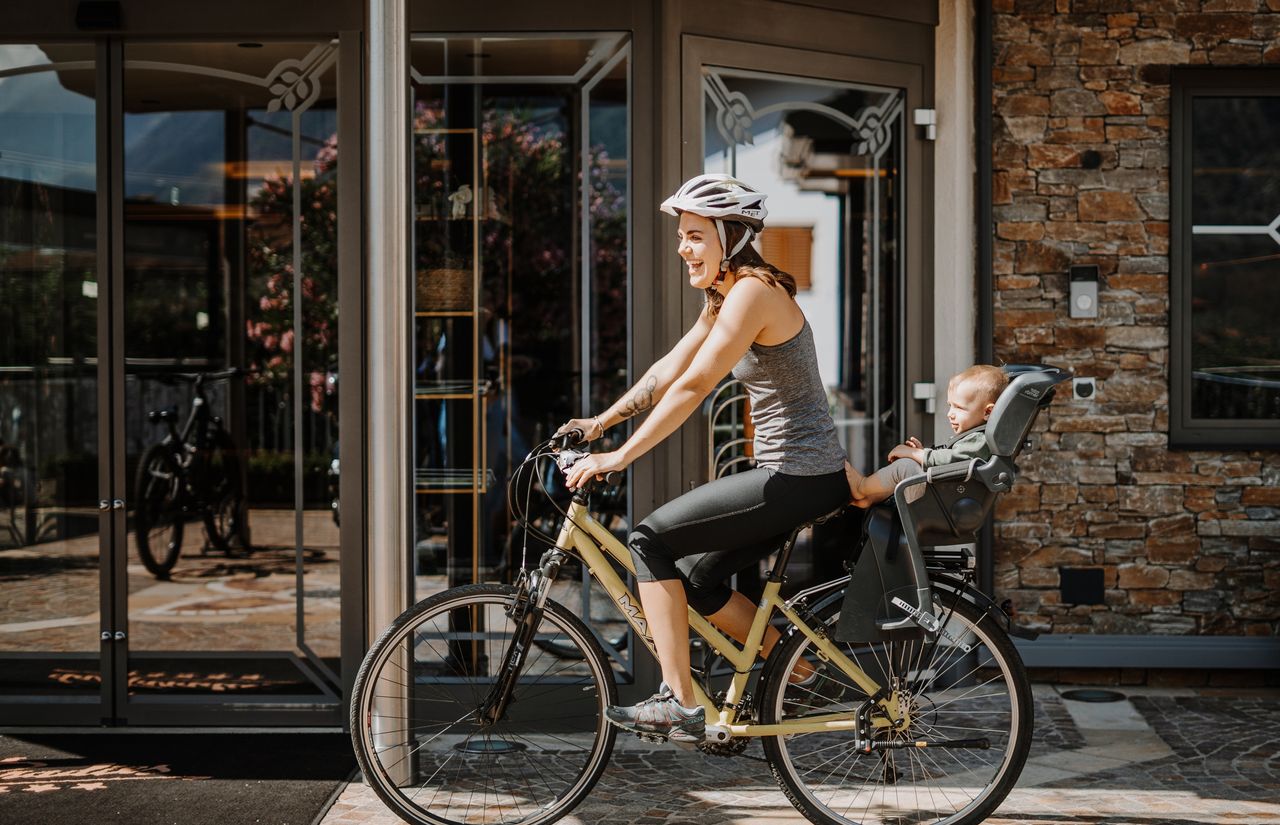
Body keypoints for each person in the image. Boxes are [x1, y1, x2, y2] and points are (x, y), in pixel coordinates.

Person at [559, 173, 851, 743]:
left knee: (648, 540)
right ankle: (808, 674)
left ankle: (679, 701)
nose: (683, 248)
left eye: (695, 235)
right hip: (793, 473)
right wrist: (600, 423)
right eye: (682, 236)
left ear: (730, 234)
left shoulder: (754, 292)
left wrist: (618, 457)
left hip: (798, 473)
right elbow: (668, 368)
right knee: (696, 580)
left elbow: (693, 387)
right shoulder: (727, 293)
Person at [846, 364, 1009, 507]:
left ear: (988, 411)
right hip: (943, 495)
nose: (950, 414)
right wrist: (921, 454)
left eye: (959, 408)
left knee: (905, 467)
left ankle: (862, 487)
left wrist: (918, 454)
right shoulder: (976, 437)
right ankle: (870, 497)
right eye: (949, 406)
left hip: (942, 502)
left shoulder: (981, 439)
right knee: (908, 466)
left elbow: (953, 460)